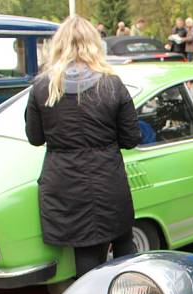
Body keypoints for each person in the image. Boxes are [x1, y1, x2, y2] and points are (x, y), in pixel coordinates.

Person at [25, 15, 141, 278]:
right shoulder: (112, 85)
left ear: (58, 45)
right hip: (107, 181)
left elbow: (35, 137)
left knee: (85, 253)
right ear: (94, 44)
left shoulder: (42, 87)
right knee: (124, 244)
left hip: (65, 184)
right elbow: (131, 139)